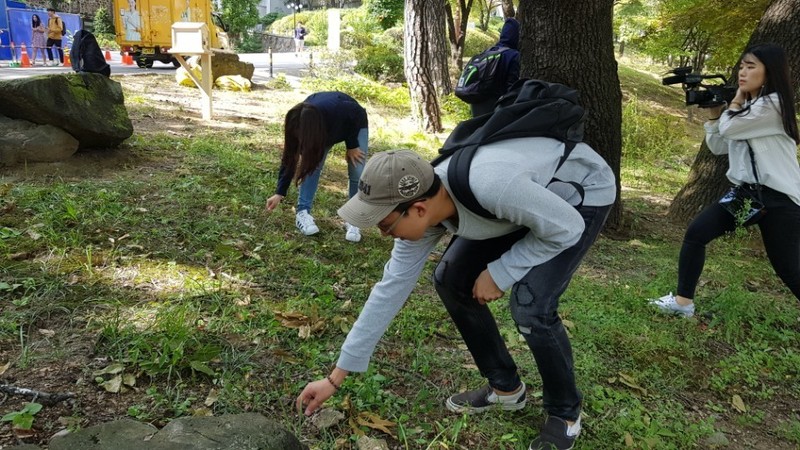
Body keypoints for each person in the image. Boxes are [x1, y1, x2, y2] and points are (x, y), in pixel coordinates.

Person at [297, 144, 616, 449]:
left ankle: (565, 412)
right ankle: (505, 388)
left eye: (384, 224)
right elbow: (390, 288)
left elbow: (568, 227)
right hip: (523, 198)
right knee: (451, 279)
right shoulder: (427, 204)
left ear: (419, 209)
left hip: (577, 195)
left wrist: (501, 272)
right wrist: (336, 377)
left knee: (531, 305)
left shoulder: (494, 188)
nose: (383, 234)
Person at [651, 43, 800, 318]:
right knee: (697, 233)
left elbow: (731, 127)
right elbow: (720, 144)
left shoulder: (773, 106)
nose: (742, 72)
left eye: (751, 66)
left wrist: (734, 100)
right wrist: (714, 111)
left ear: (771, 72)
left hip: (779, 199)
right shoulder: (750, 108)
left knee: (789, 267)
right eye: (741, 66)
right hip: (746, 194)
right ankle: (683, 304)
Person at [265, 91, 368, 243]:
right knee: (311, 164)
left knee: (357, 169)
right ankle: (303, 213)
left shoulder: (338, 110)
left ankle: (353, 219)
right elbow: (289, 157)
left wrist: (352, 145)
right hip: (321, 129)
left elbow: (357, 112)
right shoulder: (297, 120)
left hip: (353, 122)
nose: (300, 139)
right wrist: (279, 192)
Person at [463, 17, 520, 117]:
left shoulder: (489, 51)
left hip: (477, 100)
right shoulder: (513, 55)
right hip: (495, 104)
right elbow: (513, 85)